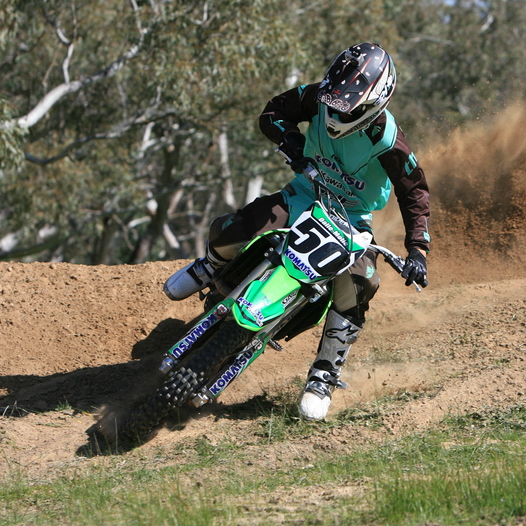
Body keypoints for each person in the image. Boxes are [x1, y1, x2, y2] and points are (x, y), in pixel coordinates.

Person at [163, 42, 431, 421]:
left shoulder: (388, 139)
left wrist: (418, 250)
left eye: (347, 105)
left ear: (375, 103)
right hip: (305, 194)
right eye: (333, 98)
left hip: (352, 220)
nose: (336, 109)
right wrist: (291, 143)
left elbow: (415, 192)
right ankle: (210, 265)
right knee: (237, 227)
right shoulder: (317, 97)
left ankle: (324, 374)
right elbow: (272, 112)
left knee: (361, 283)